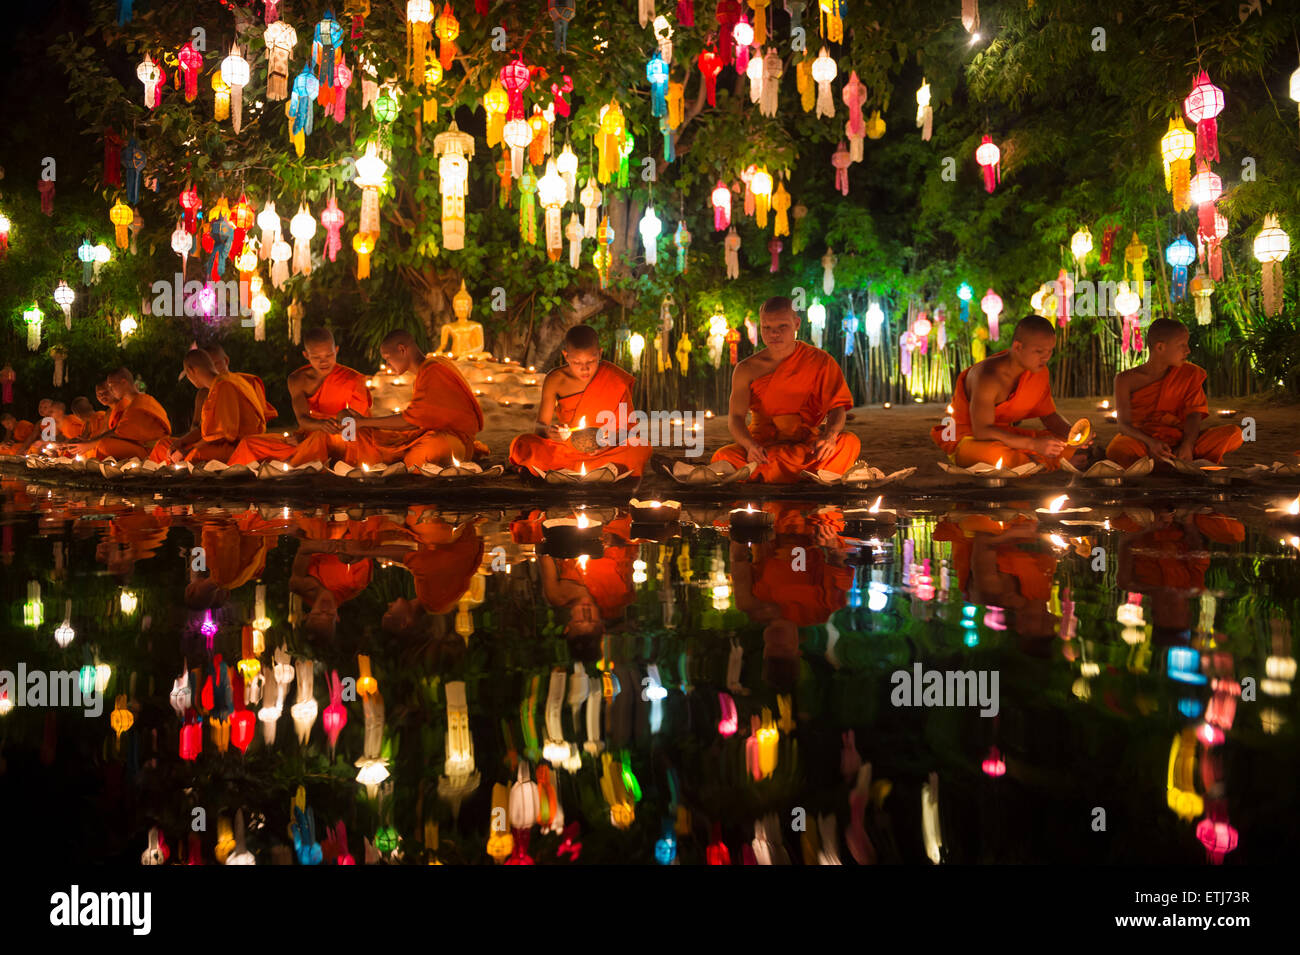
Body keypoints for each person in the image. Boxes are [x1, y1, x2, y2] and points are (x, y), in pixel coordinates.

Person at [711, 296, 860, 482]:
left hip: (808, 445)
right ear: (761, 327)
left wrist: (830, 437)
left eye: (782, 326)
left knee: (848, 442)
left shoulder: (820, 361)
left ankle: (769, 477)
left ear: (796, 324)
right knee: (725, 456)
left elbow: (837, 407)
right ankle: (809, 478)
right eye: (767, 328)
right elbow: (735, 418)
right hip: (763, 447)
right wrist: (750, 446)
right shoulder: (746, 369)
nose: (774, 334)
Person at [931, 314, 1085, 470]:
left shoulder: (1039, 372)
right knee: (993, 455)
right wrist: (1033, 444)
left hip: (1005, 435)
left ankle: (1035, 462)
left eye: (1050, 351)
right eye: (1039, 351)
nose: (1046, 357)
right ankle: (1051, 463)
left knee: (1061, 444)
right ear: (1018, 347)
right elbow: (982, 431)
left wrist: (1074, 435)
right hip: (968, 438)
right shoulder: (987, 376)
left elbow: (1049, 417)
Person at [508, 324, 654, 476]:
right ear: (566, 356)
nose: (584, 369)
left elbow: (630, 430)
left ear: (599, 353)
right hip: (567, 448)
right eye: (577, 362)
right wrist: (552, 432)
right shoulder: (556, 380)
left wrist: (609, 442)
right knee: (523, 443)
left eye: (590, 361)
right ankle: (603, 472)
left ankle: (566, 471)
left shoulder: (615, 378)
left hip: (606, 449)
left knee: (641, 447)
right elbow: (539, 428)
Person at [1106, 318, 1243, 466]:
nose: (1188, 350)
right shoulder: (1125, 380)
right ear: (1160, 348)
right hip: (1143, 442)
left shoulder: (1189, 374)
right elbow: (1124, 425)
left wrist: (1187, 445)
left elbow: (1194, 414)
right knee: (1118, 449)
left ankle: (1170, 460)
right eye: (1182, 345)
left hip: (1180, 439)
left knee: (1234, 433)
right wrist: (1151, 443)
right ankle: (1176, 463)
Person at [227, 327, 370, 467]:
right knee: (250, 443)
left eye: (329, 355)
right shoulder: (297, 379)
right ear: (306, 355)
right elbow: (302, 419)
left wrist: (330, 432)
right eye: (316, 357)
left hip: (347, 438)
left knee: (318, 439)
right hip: (310, 432)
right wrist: (309, 432)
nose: (324, 362)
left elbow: (356, 425)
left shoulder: (353, 379)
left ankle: (301, 467)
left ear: (336, 350)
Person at [345, 330, 488, 468]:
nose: (387, 364)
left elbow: (410, 421)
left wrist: (364, 422)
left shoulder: (434, 371)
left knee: (417, 458)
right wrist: (365, 424)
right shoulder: (428, 369)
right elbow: (420, 419)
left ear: (402, 350)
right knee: (378, 438)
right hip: (434, 433)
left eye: (388, 358)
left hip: (456, 440)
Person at [167, 350, 267, 463]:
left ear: (190, 371)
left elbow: (224, 434)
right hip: (222, 443)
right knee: (166, 445)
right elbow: (207, 430)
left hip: (239, 446)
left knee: (193, 455)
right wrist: (181, 441)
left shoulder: (224, 386)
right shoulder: (220, 384)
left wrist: (189, 449)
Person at [69, 367, 171, 461]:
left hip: (150, 450)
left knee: (103, 445)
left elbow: (118, 433)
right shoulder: (137, 402)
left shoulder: (138, 404)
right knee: (99, 445)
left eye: (111, 386)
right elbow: (116, 431)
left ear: (123, 383)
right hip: (140, 446)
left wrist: (90, 444)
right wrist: (88, 442)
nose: (111, 390)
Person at [202, 343, 278, 422]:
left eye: (216, 364)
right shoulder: (204, 393)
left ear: (226, 361)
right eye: (208, 367)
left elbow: (262, 416)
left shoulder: (249, 382)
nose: (213, 370)